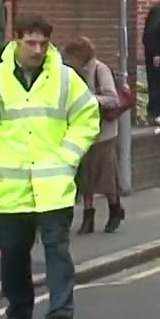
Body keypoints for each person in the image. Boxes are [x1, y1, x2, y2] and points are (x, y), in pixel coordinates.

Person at [0, 14, 100, 319]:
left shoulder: (65, 79)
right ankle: (19, 312)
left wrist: (67, 158)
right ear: (16, 39)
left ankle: (60, 313)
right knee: (13, 255)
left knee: (57, 250)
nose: (37, 50)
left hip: (54, 187)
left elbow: (87, 117)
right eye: (31, 42)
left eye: (43, 43)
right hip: (10, 190)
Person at [63, 36, 126, 234]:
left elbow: (112, 99)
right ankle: (88, 216)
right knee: (85, 177)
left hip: (103, 133)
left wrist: (88, 99)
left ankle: (114, 207)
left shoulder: (100, 70)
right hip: (80, 131)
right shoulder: (70, 72)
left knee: (106, 176)